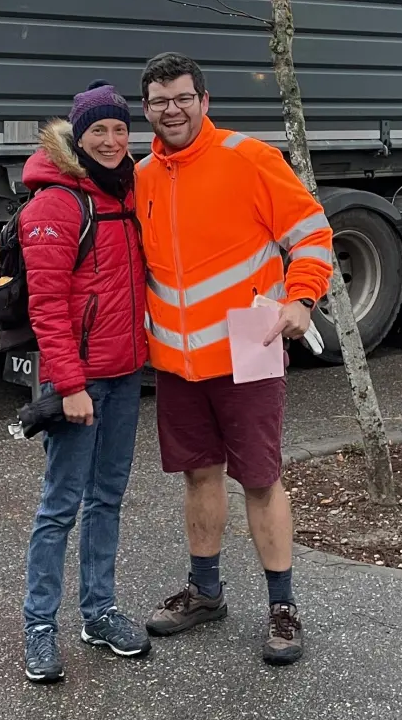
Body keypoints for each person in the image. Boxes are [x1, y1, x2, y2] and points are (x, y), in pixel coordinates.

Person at [134, 53, 334, 666]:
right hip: (177, 362)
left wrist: (302, 298)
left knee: (260, 479)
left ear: (205, 101)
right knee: (199, 475)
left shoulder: (249, 159)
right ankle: (206, 592)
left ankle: (282, 606)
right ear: (147, 108)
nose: (172, 110)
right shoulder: (142, 175)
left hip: (248, 348)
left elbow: (312, 232)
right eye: (160, 101)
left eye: (182, 98)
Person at [18, 81, 151, 684]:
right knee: (59, 507)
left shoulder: (127, 190)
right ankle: (39, 627)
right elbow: (46, 307)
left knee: (107, 499)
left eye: (120, 129)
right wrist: (70, 385)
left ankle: (99, 613)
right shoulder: (57, 203)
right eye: (99, 130)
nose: (112, 139)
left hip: (125, 375)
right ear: (78, 135)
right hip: (82, 383)